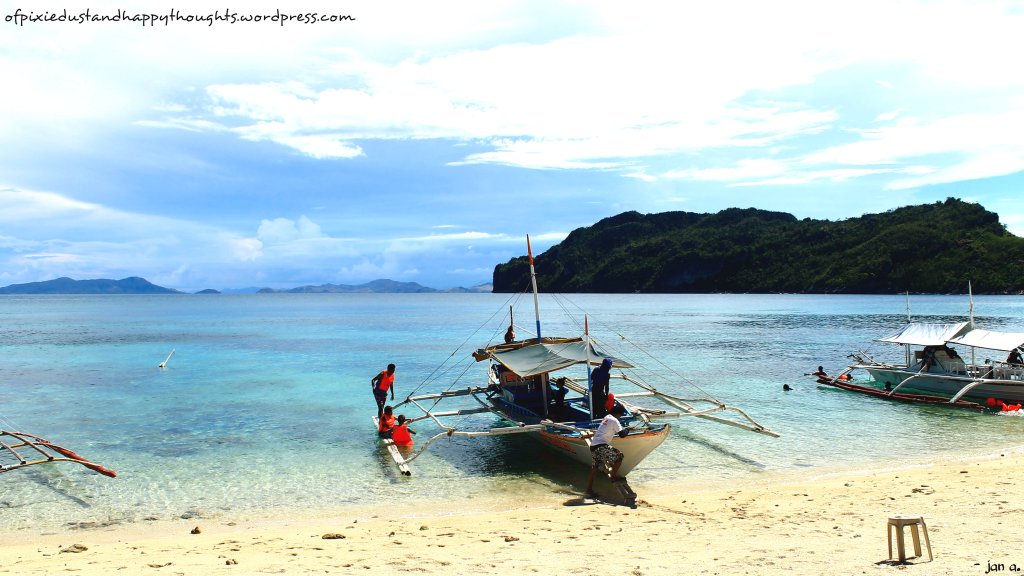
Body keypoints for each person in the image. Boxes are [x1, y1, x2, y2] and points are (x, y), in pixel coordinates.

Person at [584, 403, 629, 497]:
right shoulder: (615, 420)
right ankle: (613, 476)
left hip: (594, 446)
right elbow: (622, 435)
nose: (620, 417)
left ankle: (589, 490)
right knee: (619, 456)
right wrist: (628, 429)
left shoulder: (607, 417)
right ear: (618, 413)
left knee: (595, 469)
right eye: (621, 415)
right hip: (601, 446)